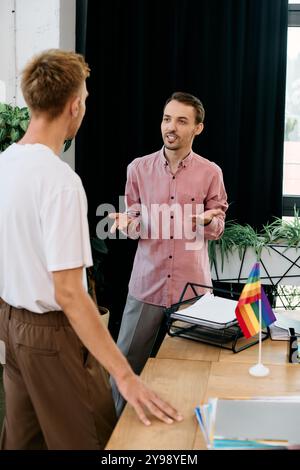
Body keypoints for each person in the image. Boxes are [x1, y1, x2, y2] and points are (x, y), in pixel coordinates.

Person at [0, 50, 182, 451]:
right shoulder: (60, 181)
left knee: (22, 441)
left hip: (12, 328)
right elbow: (68, 292)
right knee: (93, 438)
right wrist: (125, 376)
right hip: (52, 334)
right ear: (74, 105)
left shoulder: (5, 164)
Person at [109, 92, 228, 415]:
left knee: (195, 369)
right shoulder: (138, 169)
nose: (170, 127)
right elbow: (133, 220)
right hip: (146, 286)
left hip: (193, 291)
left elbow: (218, 223)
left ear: (198, 128)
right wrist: (126, 223)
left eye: (181, 120)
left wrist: (207, 221)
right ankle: (116, 434)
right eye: (166, 118)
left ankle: (189, 433)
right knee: (124, 367)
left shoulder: (210, 173)